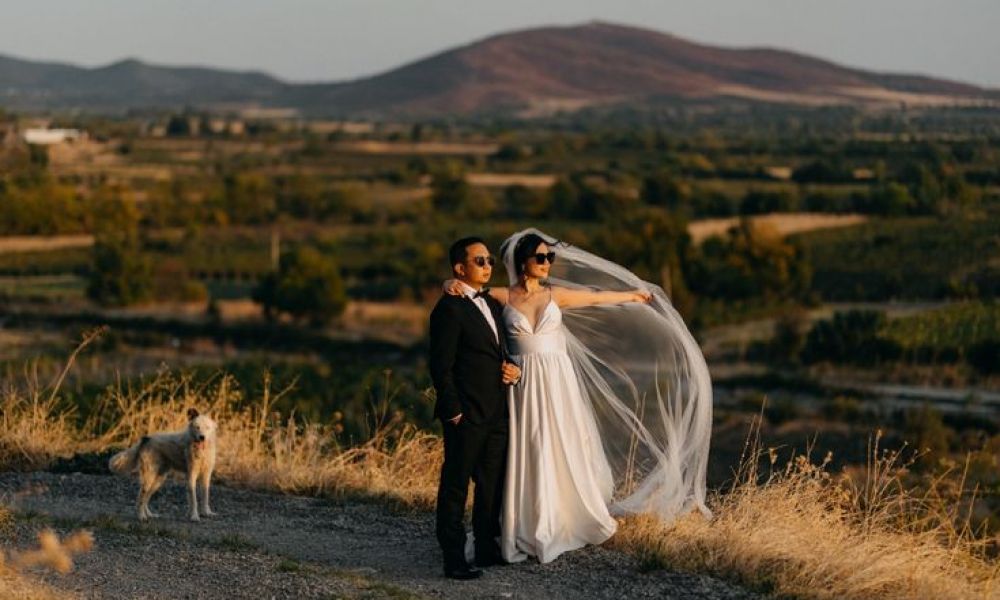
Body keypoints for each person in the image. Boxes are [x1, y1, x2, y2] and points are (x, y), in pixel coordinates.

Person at [445, 229, 713, 564]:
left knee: (558, 442)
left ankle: (562, 516)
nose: (547, 263)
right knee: (527, 446)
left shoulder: (555, 295)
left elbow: (597, 296)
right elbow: (471, 303)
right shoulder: (500, 296)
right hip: (522, 383)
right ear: (522, 263)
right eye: (540, 258)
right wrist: (448, 284)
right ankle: (523, 522)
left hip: (556, 380)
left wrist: (633, 296)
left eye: (549, 258)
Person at [428, 236, 521, 580]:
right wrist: (453, 411)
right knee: (455, 485)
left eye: (489, 261)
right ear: (459, 268)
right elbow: (441, 366)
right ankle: (453, 558)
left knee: (492, 483)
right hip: (465, 415)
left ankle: (485, 545)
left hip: (497, 410)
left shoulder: (492, 304)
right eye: (479, 261)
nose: (487, 266)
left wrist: (513, 368)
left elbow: (500, 350)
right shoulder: (448, 309)